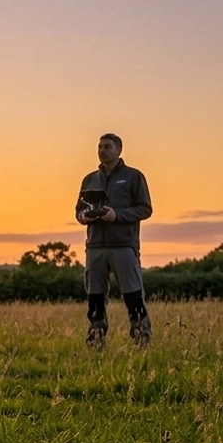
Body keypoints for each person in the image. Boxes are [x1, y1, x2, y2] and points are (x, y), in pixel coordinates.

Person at [76, 133, 153, 349]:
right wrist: (86, 216)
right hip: (94, 247)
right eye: (99, 147)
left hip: (123, 246)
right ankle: (96, 341)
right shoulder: (89, 179)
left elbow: (145, 209)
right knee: (95, 298)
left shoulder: (133, 176)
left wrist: (117, 215)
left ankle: (142, 340)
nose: (102, 150)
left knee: (133, 295)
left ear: (119, 150)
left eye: (107, 147)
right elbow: (78, 211)